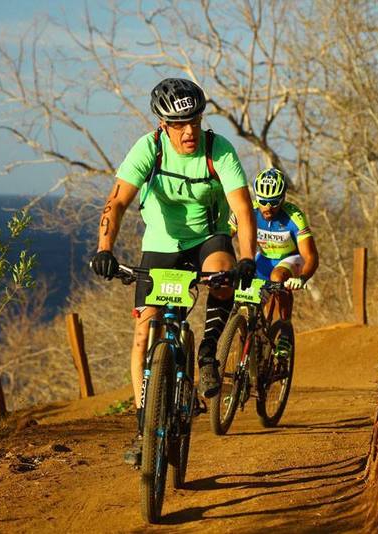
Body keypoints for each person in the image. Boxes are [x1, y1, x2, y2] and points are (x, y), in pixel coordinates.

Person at [90, 78, 257, 466]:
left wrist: (247, 257)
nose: (189, 131)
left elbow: (244, 212)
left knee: (222, 273)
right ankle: (142, 427)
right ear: (163, 124)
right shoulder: (148, 149)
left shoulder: (219, 151)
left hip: (208, 238)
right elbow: (115, 203)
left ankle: (208, 354)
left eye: (195, 122)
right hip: (162, 245)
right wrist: (105, 249)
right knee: (144, 330)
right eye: (179, 125)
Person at [230, 167, 319, 341]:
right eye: (263, 201)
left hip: (290, 259)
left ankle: (285, 329)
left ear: (283, 198)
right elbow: (225, 237)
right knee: (242, 296)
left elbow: (311, 257)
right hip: (263, 259)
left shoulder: (294, 216)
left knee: (277, 277)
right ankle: (252, 340)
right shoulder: (249, 211)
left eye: (274, 202)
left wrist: (302, 278)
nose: (268, 208)